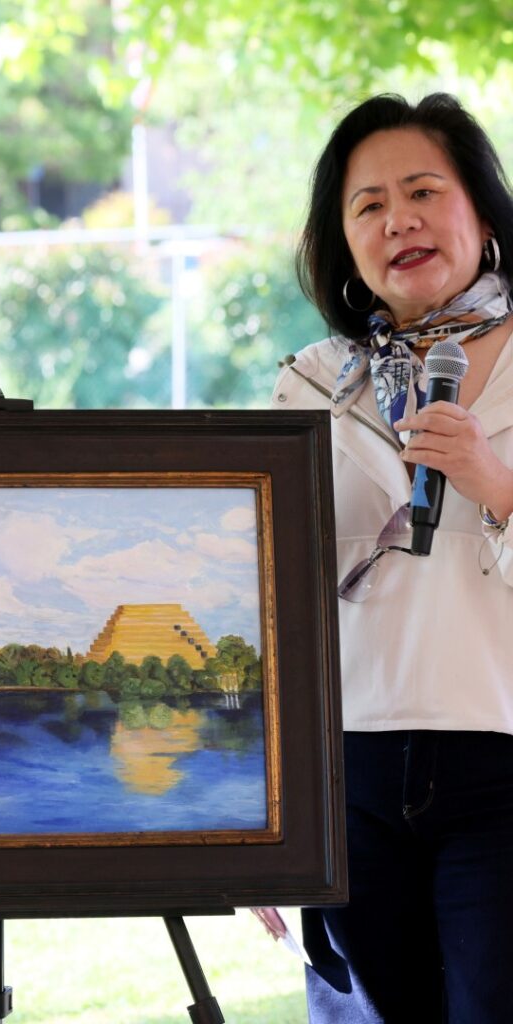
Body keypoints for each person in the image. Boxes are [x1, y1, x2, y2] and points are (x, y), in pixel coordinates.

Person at [272, 92, 513, 1022]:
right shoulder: (310, 384)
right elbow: (264, 603)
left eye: (422, 191)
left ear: (482, 212)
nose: (398, 220)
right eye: (368, 205)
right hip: (345, 776)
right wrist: (259, 813)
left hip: (499, 758)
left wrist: (495, 485)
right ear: (344, 242)